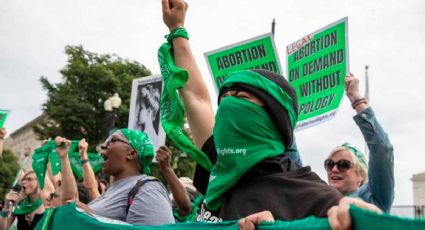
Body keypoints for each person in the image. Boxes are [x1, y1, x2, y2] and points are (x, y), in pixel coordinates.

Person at [161, 0, 342, 222]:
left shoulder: (318, 200)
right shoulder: (219, 166)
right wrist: (177, 29)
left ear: (273, 119)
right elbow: (195, 97)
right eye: (225, 97)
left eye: (241, 98)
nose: (227, 105)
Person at [57, 129, 175, 226]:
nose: (103, 145)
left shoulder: (149, 189)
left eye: (112, 141)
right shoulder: (113, 191)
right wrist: (64, 157)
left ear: (132, 154)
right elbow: (70, 204)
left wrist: (91, 217)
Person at [324, 74, 394, 212]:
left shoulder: (372, 199)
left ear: (361, 175)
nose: (334, 169)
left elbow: (382, 150)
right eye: (329, 164)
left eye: (343, 164)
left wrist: (357, 101)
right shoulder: (319, 200)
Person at [156, 145, 203, 222]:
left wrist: (166, 168)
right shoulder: (164, 211)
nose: (175, 194)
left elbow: (185, 207)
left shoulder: (192, 215)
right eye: (173, 189)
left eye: (182, 189)